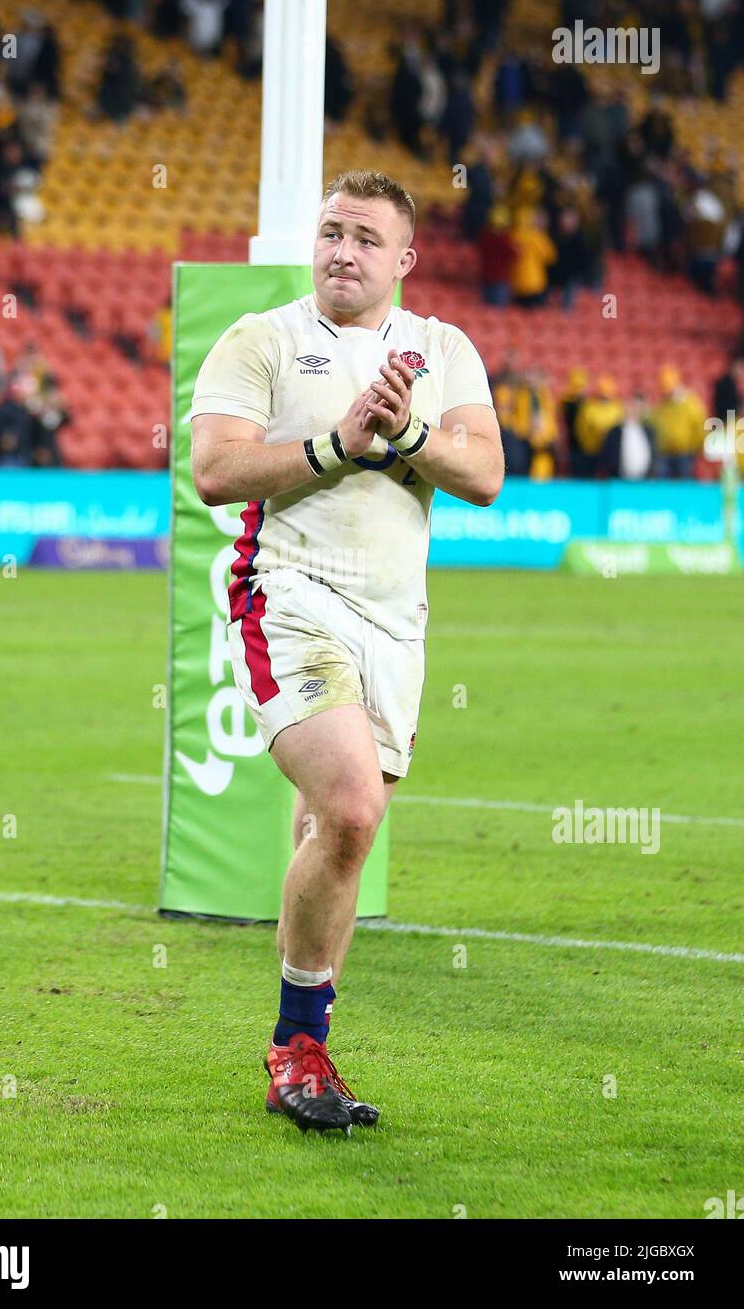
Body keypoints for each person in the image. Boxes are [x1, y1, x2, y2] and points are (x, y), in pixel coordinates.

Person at [190, 170, 503, 1133]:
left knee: (330, 838)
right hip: (288, 593)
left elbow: (485, 473)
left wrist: (404, 429)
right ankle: (297, 1047)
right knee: (354, 812)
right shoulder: (262, 339)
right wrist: (337, 443)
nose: (341, 251)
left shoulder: (443, 349)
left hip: (395, 623)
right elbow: (214, 469)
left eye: (366, 238)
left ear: (403, 260)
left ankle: (310, 1058)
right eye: (331, 231)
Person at [652, 364, 707, 479]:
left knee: (684, 485)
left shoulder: (690, 401)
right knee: (663, 486)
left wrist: (697, 446)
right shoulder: (663, 404)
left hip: (685, 452)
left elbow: (698, 424)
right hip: (665, 452)